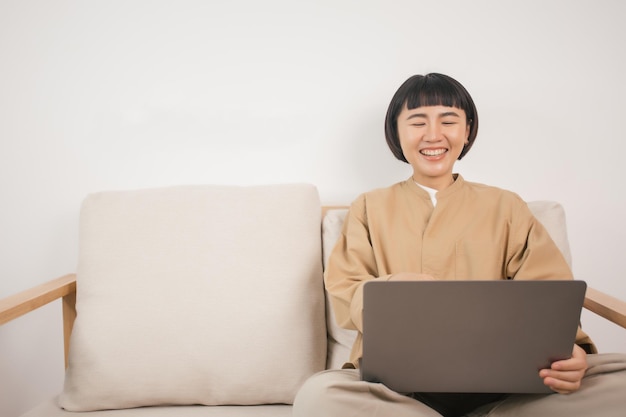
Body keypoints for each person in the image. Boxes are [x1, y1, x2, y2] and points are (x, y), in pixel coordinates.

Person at [293, 73, 626, 417]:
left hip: (506, 387)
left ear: (467, 131)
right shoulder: (369, 207)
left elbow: (550, 292)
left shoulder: (506, 206)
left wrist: (572, 352)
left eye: (448, 121)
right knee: (318, 397)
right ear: (396, 132)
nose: (433, 135)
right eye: (417, 122)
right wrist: (394, 289)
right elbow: (346, 290)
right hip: (398, 390)